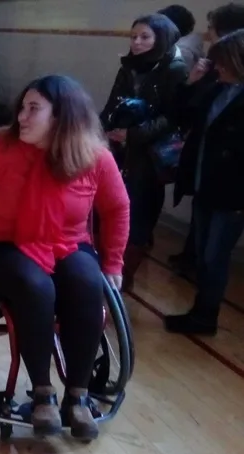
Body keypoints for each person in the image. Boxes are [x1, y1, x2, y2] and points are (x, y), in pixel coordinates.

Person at [0, 75, 130, 440]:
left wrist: (114, 262)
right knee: (34, 284)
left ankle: (78, 396)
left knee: (87, 283)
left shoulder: (93, 156)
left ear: (61, 116)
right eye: (22, 108)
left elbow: (117, 208)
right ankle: (42, 393)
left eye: (33, 109)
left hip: (65, 243)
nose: (21, 116)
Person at [163, 29, 244, 335]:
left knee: (214, 257)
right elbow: (181, 112)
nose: (217, 67)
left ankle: (205, 316)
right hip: (205, 184)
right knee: (202, 255)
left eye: (223, 62)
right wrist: (192, 81)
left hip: (231, 193)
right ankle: (200, 312)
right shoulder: (218, 88)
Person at [99, 13, 187, 291]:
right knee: (107, 206)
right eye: (133, 36)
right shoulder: (129, 66)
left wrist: (133, 135)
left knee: (138, 213)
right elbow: (113, 102)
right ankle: (103, 269)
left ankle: (124, 279)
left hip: (149, 156)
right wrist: (101, 132)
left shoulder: (174, 69)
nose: (136, 42)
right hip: (119, 147)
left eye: (144, 37)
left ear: (161, 38)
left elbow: (172, 117)